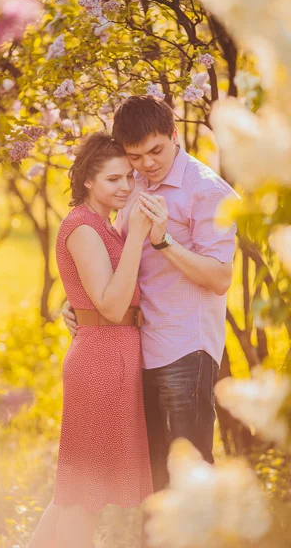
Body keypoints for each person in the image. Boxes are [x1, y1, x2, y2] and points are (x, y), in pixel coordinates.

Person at [63, 96, 239, 497]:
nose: (146, 164)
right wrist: (79, 302)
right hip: (139, 347)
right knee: (153, 481)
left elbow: (221, 277)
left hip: (187, 348)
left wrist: (164, 243)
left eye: (156, 151)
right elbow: (109, 254)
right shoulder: (132, 182)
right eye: (135, 156)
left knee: (189, 473)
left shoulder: (207, 191)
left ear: (174, 134)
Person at [29, 132, 153, 548]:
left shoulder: (105, 225)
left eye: (129, 178)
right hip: (99, 362)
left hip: (112, 356)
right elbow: (113, 307)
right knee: (83, 493)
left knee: (77, 491)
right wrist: (137, 235)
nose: (125, 187)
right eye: (113, 180)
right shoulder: (84, 227)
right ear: (88, 181)